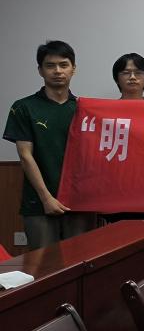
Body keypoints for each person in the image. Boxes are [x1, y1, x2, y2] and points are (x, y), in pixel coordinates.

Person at [4, 41, 95, 248]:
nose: (57, 71)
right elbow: (25, 156)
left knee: (81, 260)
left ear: (73, 69)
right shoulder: (24, 107)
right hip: (38, 202)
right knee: (43, 263)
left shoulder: (84, 109)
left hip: (80, 202)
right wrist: (46, 198)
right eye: (50, 65)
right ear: (40, 70)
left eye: (63, 65)